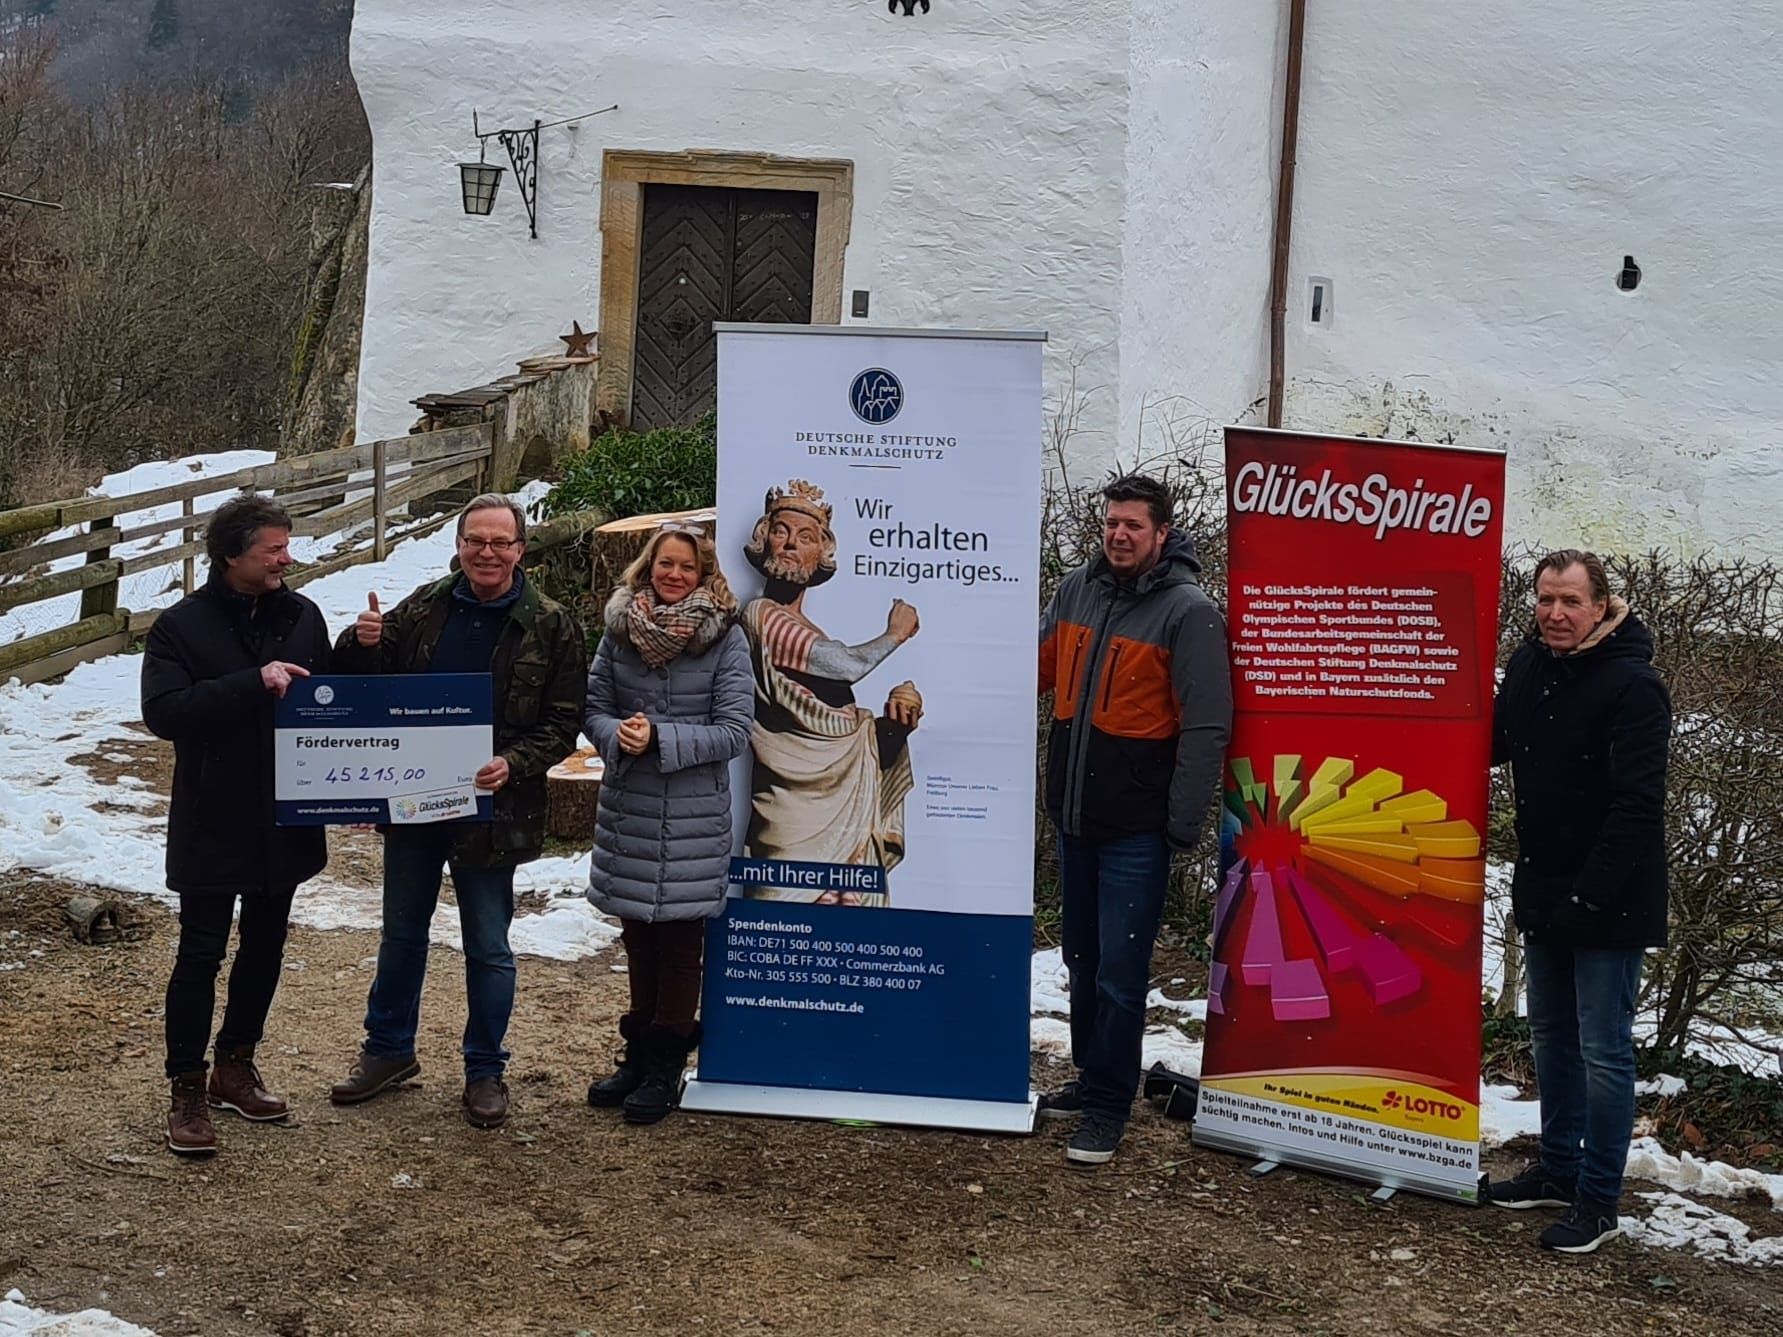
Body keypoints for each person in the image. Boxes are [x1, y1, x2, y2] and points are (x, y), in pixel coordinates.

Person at [327, 494, 585, 1130]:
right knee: (401, 935)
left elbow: (563, 723)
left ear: (520, 549)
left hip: (495, 809)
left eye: (500, 542)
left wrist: (513, 763)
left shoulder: (552, 624)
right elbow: (366, 680)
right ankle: (388, 1050)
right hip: (416, 803)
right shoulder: (425, 605)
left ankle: (485, 1070)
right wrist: (359, 641)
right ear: (460, 545)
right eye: (476, 541)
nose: (487, 553)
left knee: (488, 946)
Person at [1036, 474, 1231, 1166]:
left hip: (1136, 830)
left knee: (1120, 972)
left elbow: (1206, 726)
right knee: (1081, 959)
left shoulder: (1189, 612)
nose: (1119, 535)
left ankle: (1109, 1107)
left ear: (1162, 533)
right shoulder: (1077, 590)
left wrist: (1180, 824)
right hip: (1075, 816)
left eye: (1133, 526)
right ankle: (1090, 1076)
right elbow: (1034, 670)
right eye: (1111, 523)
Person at [1489, 549, 1670, 1253]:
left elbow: (1638, 806)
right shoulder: (1529, 666)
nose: (1555, 613)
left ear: (1601, 606)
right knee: (1551, 1037)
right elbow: (1491, 742)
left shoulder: (1634, 685)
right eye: (1545, 599)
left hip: (1609, 899)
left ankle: (1597, 1200)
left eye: (1570, 601)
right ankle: (1557, 1170)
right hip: (1543, 886)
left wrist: (1588, 897)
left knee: (1603, 1050)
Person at [141, 496, 333, 1156]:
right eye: (273, 549)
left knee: (265, 946)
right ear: (230, 555)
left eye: (286, 546)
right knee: (200, 953)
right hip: (212, 818)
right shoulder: (180, 627)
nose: (286, 559)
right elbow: (164, 711)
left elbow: (332, 705)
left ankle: (235, 1065)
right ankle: (187, 1087)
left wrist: (364, 650)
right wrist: (255, 681)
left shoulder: (303, 616)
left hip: (286, 817)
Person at [582, 523, 753, 1123]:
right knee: (637, 939)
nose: (674, 575)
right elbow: (594, 709)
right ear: (647, 568)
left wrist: (661, 738)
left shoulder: (727, 638)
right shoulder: (619, 631)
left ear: (703, 574)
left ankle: (666, 1064)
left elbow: (735, 731)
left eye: (686, 566)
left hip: (692, 818)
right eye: (664, 564)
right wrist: (617, 736)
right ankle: (636, 1056)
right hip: (629, 808)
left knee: (681, 945)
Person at [735, 479, 922, 906]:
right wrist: (895, 633)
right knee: (785, 923)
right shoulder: (761, 616)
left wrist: (893, 728)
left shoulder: (808, 629)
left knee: (847, 921)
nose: (789, 544)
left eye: (805, 537)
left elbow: (839, 727)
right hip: (793, 812)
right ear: (764, 540)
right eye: (780, 531)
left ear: (822, 552)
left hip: (846, 804)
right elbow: (845, 666)